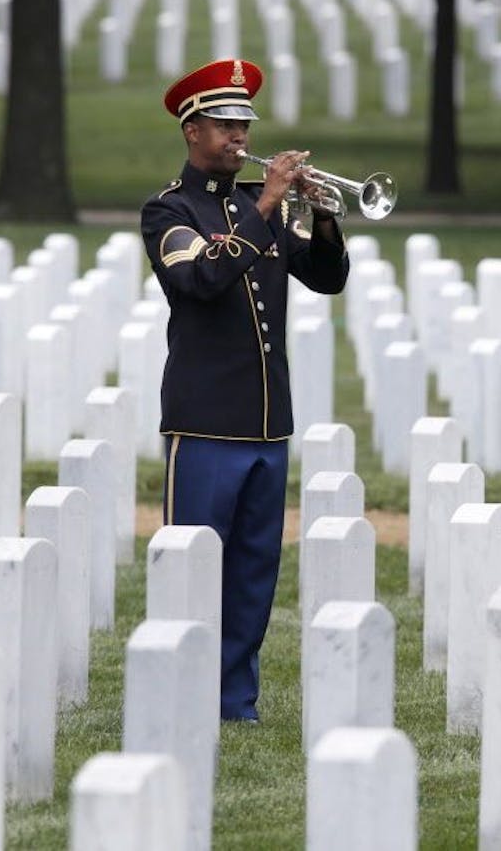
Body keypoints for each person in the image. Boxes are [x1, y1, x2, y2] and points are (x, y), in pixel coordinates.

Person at [140, 57, 350, 722]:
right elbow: (200, 280)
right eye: (226, 124)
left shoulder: (255, 207)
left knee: (254, 575)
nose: (239, 135)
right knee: (192, 571)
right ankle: (181, 690)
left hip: (267, 427)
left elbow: (324, 276)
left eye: (244, 123)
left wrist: (319, 217)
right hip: (204, 425)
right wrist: (265, 204)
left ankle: (236, 701)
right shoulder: (170, 210)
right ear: (192, 130)